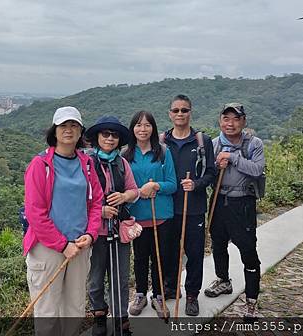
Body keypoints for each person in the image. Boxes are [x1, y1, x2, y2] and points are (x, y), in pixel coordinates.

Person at [23, 106, 103, 336]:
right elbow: (35, 213)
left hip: (79, 246)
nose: (68, 130)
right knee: (47, 311)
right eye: (63, 125)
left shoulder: (86, 164)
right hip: (47, 249)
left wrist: (90, 234)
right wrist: (61, 245)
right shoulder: (40, 165)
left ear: (80, 133)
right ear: (54, 131)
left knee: (75, 309)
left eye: (74, 126)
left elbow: (96, 202)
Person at [204, 103, 265, 319]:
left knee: (248, 249)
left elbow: (257, 170)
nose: (230, 123)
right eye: (226, 119)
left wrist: (232, 158)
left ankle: (251, 298)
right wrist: (214, 165)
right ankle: (223, 280)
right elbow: (207, 175)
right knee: (218, 243)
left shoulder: (253, 144)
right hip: (219, 201)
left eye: (235, 119)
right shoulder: (212, 144)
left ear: (244, 121)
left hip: (243, 203)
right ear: (220, 121)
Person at [161, 94, 216, 316]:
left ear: (190, 112)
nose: (180, 114)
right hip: (168, 207)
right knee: (170, 252)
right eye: (176, 110)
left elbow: (211, 172)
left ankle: (192, 293)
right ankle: (173, 288)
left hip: (194, 208)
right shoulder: (162, 142)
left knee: (194, 253)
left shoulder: (202, 141)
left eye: (184, 110)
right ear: (170, 114)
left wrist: (196, 184)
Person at [85, 116, 139, 336]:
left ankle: (120, 321)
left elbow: (134, 192)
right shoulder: (86, 163)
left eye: (114, 135)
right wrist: (100, 210)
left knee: (120, 280)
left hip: (118, 231)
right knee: (96, 279)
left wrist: (124, 196)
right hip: (95, 232)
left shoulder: (121, 163)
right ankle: (99, 314)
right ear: (97, 137)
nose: (109, 138)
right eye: (105, 134)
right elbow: (80, 197)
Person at [123, 111, 177, 319]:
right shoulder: (125, 155)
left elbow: (172, 184)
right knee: (140, 257)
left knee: (159, 257)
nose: (142, 129)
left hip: (161, 215)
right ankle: (140, 294)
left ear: (153, 128)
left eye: (147, 125)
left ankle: (159, 295)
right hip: (137, 215)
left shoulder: (163, 152)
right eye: (138, 125)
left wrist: (155, 185)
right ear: (132, 129)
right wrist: (137, 192)